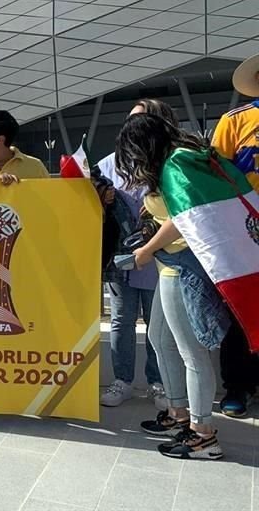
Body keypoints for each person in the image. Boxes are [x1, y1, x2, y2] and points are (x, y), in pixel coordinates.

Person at [116, 115, 232, 460]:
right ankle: (180, 414)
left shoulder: (176, 163)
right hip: (174, 265)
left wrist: (145, 251)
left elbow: (181, 217)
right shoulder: (180, 157)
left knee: (191, 354)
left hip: (184, 266)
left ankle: (203, 434)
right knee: (161, 340)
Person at [96, 101, 175, 409]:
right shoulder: (108, 164)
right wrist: (101, 197)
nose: (133, 126)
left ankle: (157, 382)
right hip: (121, 258)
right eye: (130, 120)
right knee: (121, 320)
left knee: (158, 321)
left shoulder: (169, 161)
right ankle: (122, 381)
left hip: (159, 255)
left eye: (141, 120)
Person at [211, 54, 259, 418]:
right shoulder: (236, 121)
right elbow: (213, 175)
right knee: (240, 312)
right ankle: (237, 387)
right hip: (244, 231)